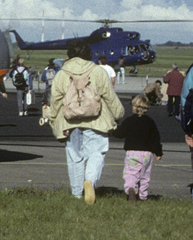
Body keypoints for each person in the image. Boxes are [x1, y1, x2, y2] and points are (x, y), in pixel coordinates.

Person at [47, 39, 124, 204]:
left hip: (70, 123)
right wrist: (118, 114)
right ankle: (90, 180)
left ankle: (76, 194)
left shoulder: (61, 74)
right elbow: (110, 97)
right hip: (97, 122)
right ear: (88, 54)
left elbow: (55, 102)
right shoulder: (98, 72)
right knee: (97, 153)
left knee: (74, 158)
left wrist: (53, 119)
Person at [111, 94, 161, 202]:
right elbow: (155, 138)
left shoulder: (129, 121)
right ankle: (143, 196)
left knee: (130, 173)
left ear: (134, 107)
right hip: (147, 154)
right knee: (145, 176)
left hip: (133, 152)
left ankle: (131, 189)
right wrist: (158, 152)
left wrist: (113, 130)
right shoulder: (150, 122)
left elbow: (120, 133)